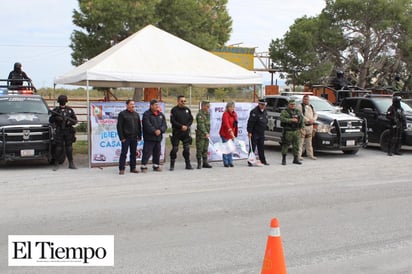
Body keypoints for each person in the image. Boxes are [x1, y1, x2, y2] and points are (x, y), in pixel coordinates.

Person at [49, 95, 78, 170]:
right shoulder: (56, 110)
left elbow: (75, 121)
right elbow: (51, 120)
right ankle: (56, 163)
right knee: (58, 148)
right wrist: (56, 118)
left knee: (69, 148)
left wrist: (69, 122)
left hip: (68, 131)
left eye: (63, 101)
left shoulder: (69, 110)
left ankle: (71, 163)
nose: (62, 102)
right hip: (59, 130)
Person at [141, 99, 167, 172]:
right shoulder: (146, 114)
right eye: (155, 105)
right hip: (149, 138)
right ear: (151, 106)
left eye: (157, 105)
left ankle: (156, 165)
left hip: (158, 138)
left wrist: (160, 130)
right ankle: (143, 166)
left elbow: (164, 125)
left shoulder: (161, 115)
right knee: (147, 152)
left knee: (157, 152)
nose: (157, 106)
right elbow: (147, 125)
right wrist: (154, 131)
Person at [116, 99, 142, 175]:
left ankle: (133, 168)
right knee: (124, 153)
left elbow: (139, 126)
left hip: (134, 137)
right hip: (126, 138)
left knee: (133, 153)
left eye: (133, 104)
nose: (133, 106)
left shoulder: (136, 114)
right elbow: (119, 127)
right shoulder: (122, 114)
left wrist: (139, 136)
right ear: (127, 105)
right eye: (131, 104)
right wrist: (122, 138)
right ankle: (121, 168)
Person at [169, 95, 194, 171]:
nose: (183, 102)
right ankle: (172, 165)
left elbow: (191, 119)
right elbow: (172, 121)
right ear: (178, 101)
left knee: (186, 149)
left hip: (185, 133)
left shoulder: (187, 110)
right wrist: (181, 126)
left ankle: (188, 164)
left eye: (184, 101)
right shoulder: (174, 110)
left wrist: (187, 126)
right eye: (182, 101)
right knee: (175, 149)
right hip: (177, 133)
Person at [280, 99, 304, 165]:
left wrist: (302, 128)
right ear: (288, 105)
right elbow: (282, 118)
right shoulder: (285, 111)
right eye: (291, 104)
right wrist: (291, 120)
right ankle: (284, 159)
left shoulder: (298, 111)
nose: (293, 106)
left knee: (296, 145)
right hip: (288, 131)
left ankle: (295, 159)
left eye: (294, 104)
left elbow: (302, 120)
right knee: (285, 145)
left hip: (296, 131)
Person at [247, 98, 269, 166]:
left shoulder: (265, 111)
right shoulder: (254, 111)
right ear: (259, 104)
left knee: (261, 147)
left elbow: (266, 120)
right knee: (253, 147)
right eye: (262, 104)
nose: (263, 106)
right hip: (255, 132)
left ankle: (263, 160)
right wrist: (249, 132)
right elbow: (250, 122)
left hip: (261, 132)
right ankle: (250, 161)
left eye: (264, 105)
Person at [297, 95, 318, 160]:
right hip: (303, 126)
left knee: (309, 142)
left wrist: (313, 119)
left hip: (310, 126)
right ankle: (298, 155)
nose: (306, 100)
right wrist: (308, 120)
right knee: (301, 141)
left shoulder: (311, 106)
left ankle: (310, 154)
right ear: (303, 99)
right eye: (305, 99)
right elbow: (300, 115)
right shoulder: (300, 106)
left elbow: (315, 114)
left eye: (307, 99)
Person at [219, 101, 238, 167]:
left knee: (230, 148)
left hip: (231, 134)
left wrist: (234, 134)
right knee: (226, 148)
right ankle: (226, 162)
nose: (233, 108)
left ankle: (230, 162)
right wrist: (230, 129)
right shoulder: (225, 114)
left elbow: (235, 124)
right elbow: (226, 123)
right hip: (225, 133)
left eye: (233, 107)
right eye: (231, 107)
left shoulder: (234, 114)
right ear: (228, 107)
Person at [196, 100, 212, 169]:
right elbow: (201, 125)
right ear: (203, 106)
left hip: (206, 135)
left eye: (209, 106)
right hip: (201, 135)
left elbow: (208, 124)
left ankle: (205, 163)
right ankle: (199, 163)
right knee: (200, 149)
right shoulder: (200, 115)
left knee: (205, 149)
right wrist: (205, 133)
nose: (208, 107)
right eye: (207, 106)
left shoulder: (207, 113)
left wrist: (208, 133)